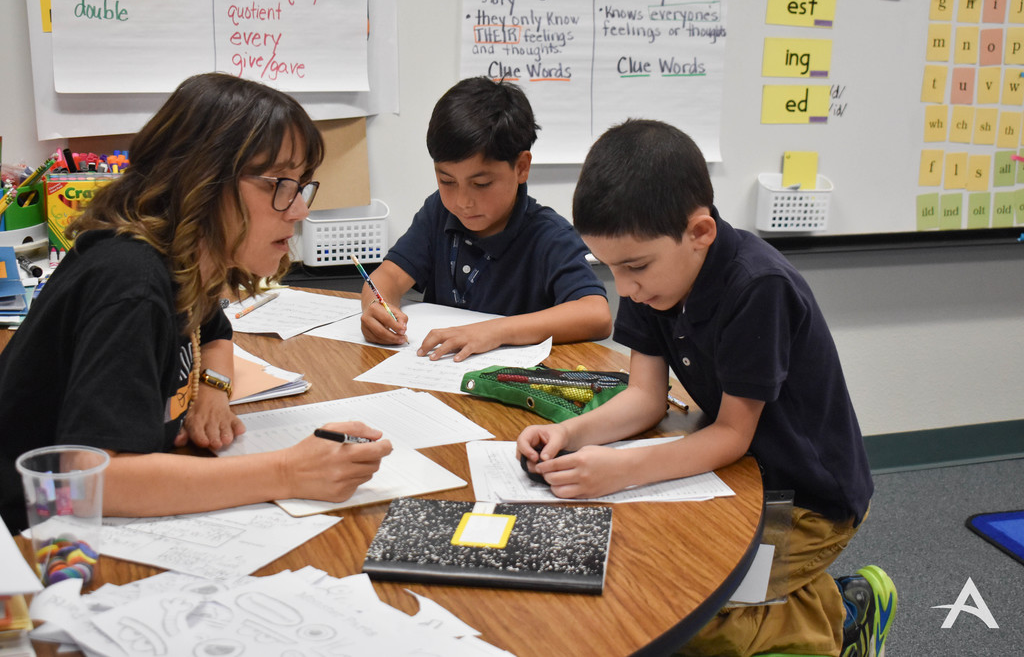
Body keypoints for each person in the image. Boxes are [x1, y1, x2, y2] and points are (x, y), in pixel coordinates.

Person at [516, 119, 896, 657]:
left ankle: (848, 619)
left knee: (692, 619)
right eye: (609, 268)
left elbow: (732, 435)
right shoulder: (653, 281)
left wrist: (617, 469)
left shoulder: (757, 287)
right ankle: (824, 598)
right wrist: (571, 433)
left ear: (700, 233)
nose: (624, 288)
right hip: (737, 477)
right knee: (643, 575)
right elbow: (645, 398)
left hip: (809, 499)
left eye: (634, 267)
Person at [0, 73, 392, 533]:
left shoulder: (184, 261)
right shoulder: (131, 281)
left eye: (301, 184)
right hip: (31, 541)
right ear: (203, 178)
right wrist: (289, 471)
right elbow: (92, 479)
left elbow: (217, 333)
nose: (300, 209)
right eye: (279, 184)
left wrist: (213, 389)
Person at [359, 77, 612, 362]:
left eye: (481, 184)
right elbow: (389, 276)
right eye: (447, 181)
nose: (462, 202)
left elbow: (596, 314)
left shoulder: (548, 236)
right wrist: (376, 308)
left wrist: (494, 331)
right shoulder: (439, 213)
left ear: (521, 167)